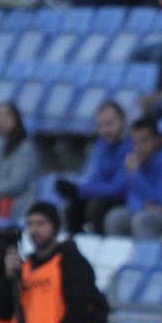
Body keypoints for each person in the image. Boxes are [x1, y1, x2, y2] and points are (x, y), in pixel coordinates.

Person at [5, 201, 100, 323]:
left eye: (41, 223)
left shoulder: (71, 262)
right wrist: (8, 277)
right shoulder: (26, 266)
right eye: (29, 224)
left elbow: (77, 312)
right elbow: (5, 310)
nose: (34, 230)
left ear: (55, 226)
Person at [56, 100, 130, 234]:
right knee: (72, 207)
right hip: (104, 196)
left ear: (123, 120)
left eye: (110, 123)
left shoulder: (132, 147)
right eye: (101, 125)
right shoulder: (100, 147)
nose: (105, 130)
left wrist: (79, 191)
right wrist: (77, 191)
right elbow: (94, 179)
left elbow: (119, 188)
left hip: (126, 200)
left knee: (96, 206)